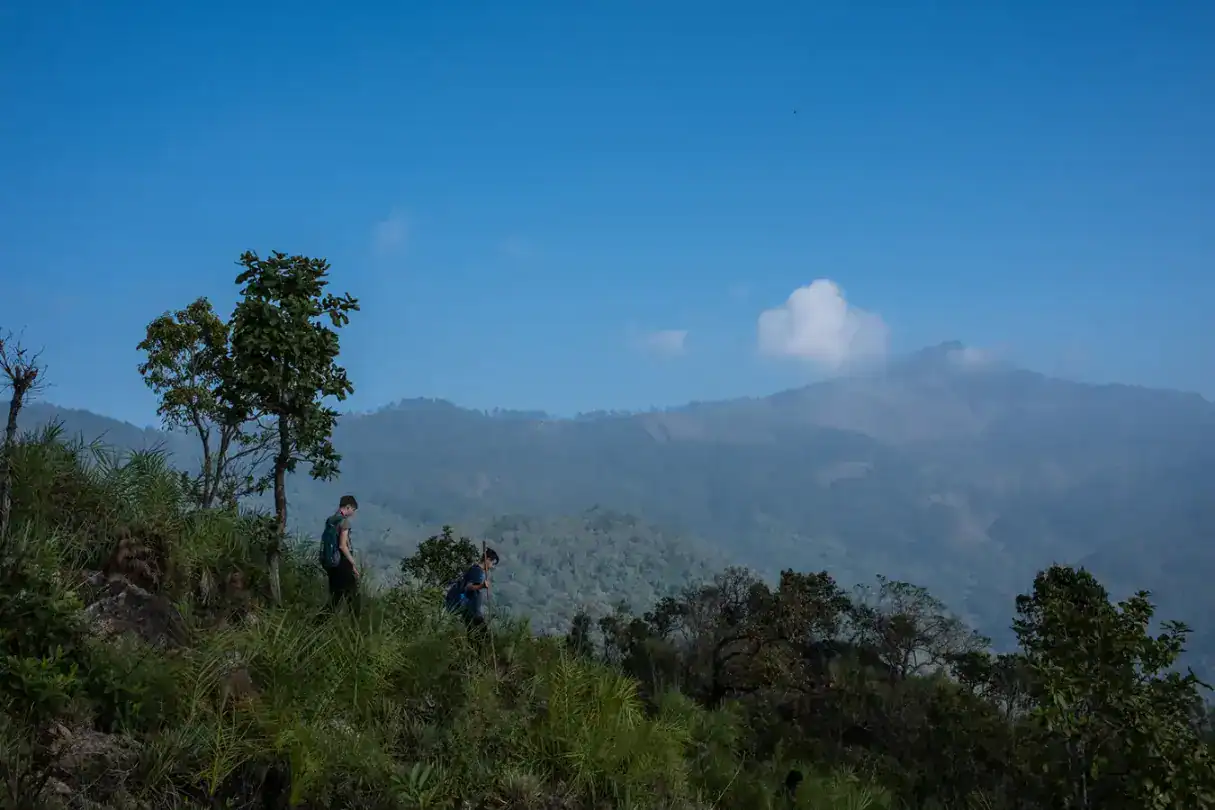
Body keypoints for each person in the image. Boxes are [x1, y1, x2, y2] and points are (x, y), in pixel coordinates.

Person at [319, 495, 360, 615]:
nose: (353, 513)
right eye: (353, 510)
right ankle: (356, 623)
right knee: (353, 596)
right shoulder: (344, 522)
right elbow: (342, 546)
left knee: (335, 598)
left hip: (330, 563)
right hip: (341, 563)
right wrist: (353, 563)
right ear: (348, 507)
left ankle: (318, 622)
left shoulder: (331, 520)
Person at [444, 546, 500, 633]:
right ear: (488, 559)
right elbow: (469, 587)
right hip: (470, 610)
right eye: (493, 563)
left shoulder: (474, 568)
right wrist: (482, 586)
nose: (492, 566)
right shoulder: (478, 571)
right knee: (481, 633)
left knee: (472, 632)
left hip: (468, 610)